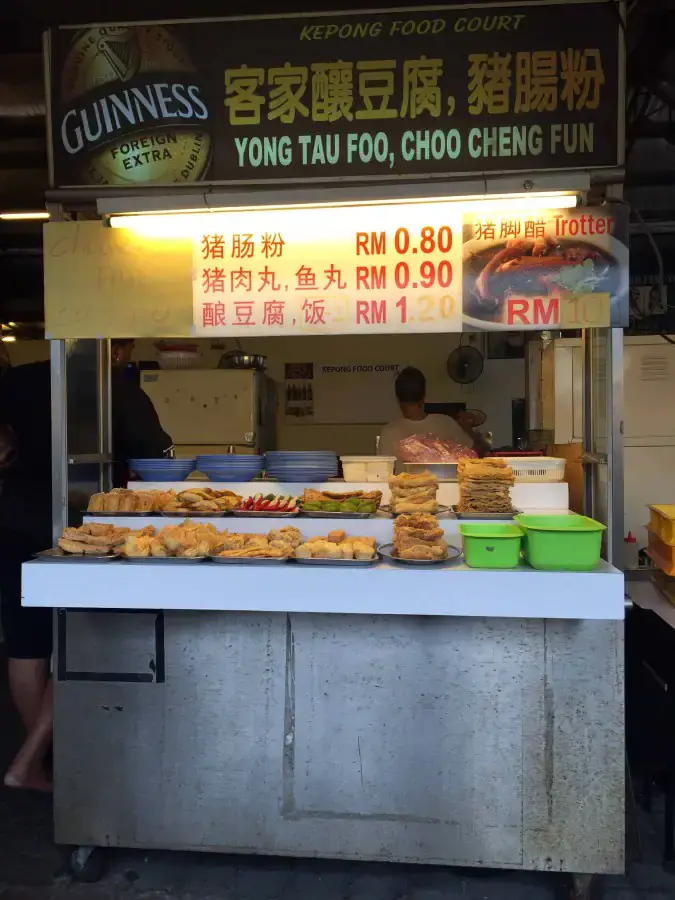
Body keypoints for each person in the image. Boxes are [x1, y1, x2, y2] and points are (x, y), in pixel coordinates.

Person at [0, 341, 172, 790]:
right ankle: (34, 758)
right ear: (115, 347)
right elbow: (155, 455)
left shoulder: (16, 379)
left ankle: (43, 761)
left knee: (26, 646)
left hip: (14, 518)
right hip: (87, 530)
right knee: (79, 641)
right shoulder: (117, 385)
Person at [378, 366, 485, 459]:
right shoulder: (446, 423)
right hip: (441, 482)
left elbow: (381, 473)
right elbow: (477, 452)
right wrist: (468, 429)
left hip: (402, 483)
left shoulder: (388, 432)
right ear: (423, 397)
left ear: (398, 399)